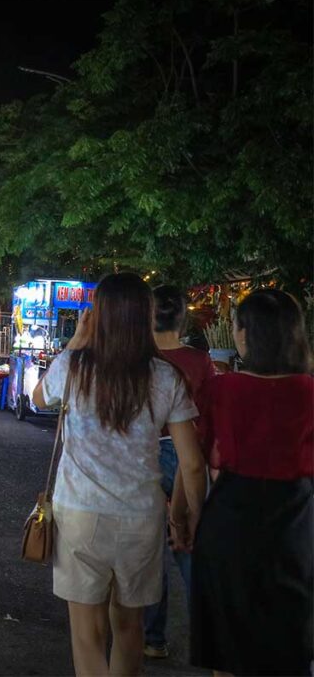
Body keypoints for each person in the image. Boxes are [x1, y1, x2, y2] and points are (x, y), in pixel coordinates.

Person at [30, 273, 207, 677]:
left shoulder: (74, 366)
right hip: (141, 518)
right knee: (129, 630)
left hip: (79, 514)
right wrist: (189, 517)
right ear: (145, 316)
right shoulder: (166, 377)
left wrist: (77, 340)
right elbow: (192, 462)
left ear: (100, 316)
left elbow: (37, 397)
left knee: (87, 635)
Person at [187, 289, 312, 676]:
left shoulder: (222, 390)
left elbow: (205, 458)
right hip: (297, 526)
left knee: (227, 647)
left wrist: (184, 517)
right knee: (289, 645)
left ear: (242, 334)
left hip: (230, 523)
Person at [143, 286, 217, 659]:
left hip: (146, 457)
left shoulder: (139, 360)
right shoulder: (201, 361)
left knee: (151, 555)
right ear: (181, 317)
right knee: (190, 549)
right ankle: (208, 638)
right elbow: (207, 419)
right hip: (188, 456)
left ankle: (153, 639)